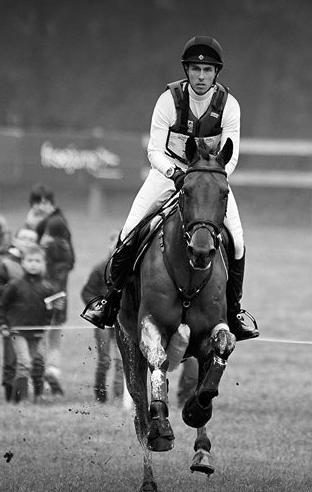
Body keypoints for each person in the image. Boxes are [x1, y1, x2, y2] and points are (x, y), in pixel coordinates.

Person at [82, 36, 259, 341]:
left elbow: (232, 158)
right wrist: (176, 174)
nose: (201, 76)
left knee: (239, 242)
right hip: (168, 174)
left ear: (216, 73)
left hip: (210, 181)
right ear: (186, 70)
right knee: (128, 231)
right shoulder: (169, 100)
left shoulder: (229, 106)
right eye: (195, 69)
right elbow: (154, 150)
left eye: (207, 69)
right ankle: (110, 302)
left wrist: (206, 177)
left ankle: (235, 312)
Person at [0, 244, 65, 403]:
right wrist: (3, 324)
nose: (33, 264)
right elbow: (3, 306)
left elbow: (48, 313)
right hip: (18, 331)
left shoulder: (47, 287)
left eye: (37, 261)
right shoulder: (14, 285)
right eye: (30, 260)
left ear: (43, 264)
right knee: (24, 363)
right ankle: (21, 400)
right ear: (23, 262)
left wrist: (55, 309)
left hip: (37, 332)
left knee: (38, 364)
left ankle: (37, 396)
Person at [28, 183, 75, 396]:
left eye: (37, 206)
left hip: (45, 290)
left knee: (39, 334)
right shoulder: (59, 221)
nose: (35, 210)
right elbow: (70, 261)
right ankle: (52, 375)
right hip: (59, 291)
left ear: (45, 203)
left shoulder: (52, 224)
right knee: (54, 335)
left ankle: (42, 378)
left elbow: (42, 255)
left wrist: (32, 225)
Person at [81, 232, 123, 403]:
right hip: (103, 323)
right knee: (104, 359)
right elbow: (86, 292)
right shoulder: (100, 268)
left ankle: (120, 396)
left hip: (122, 322)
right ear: (109, 245)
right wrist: (99, 308)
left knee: (121, 362)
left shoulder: (130, 269)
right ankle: (100, 396)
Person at [1, 227, 39, 401]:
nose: (27, 242)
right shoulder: (6, 263)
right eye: (23, 238)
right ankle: (11, 396)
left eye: (31, 239)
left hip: (32, 321)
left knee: (29, 360)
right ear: (15, 240)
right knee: (11, 359)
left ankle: (30, 394)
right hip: (11, 319)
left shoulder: (36, 262)